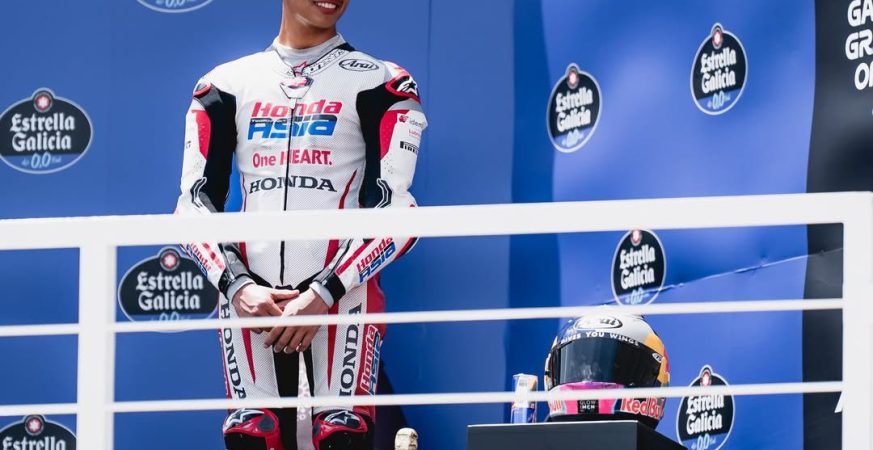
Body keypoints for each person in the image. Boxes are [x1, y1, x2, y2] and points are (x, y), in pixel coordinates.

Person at [174, 0, 426, 448]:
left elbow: (398, 214)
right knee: (253, 436)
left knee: (342, 436)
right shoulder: (225, 83)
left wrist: (322, 294)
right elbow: (193, 208)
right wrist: (238, 287)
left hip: (343, 296)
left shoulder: (383, 81)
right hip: (251, 302)